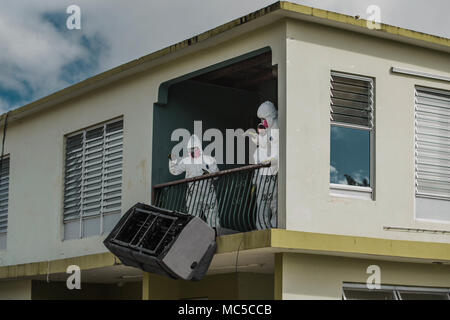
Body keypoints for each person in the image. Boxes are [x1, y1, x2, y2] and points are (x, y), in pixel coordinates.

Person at [168, 134, 220, 227]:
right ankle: (195, 239)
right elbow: (174, 171)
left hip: (208, 193)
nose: (192, 151)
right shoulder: (186, 161)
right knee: (193, 219)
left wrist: (209, 174)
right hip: (193, 195)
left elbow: (216, 175)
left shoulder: (209, 159)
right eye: (190, 149)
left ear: (199, 148)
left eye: (194, 148)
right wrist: (172, 161)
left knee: (213, 218)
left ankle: (215, 237)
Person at [253, 101, 279, 229]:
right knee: (262, 203)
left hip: (275, 173)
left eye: (264, 119)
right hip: (263, 175)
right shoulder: (265, 133)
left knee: (275, 202)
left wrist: (273, 159)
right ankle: (262, 229)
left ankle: (274, 227)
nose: (263, 123)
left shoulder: (278, 129)